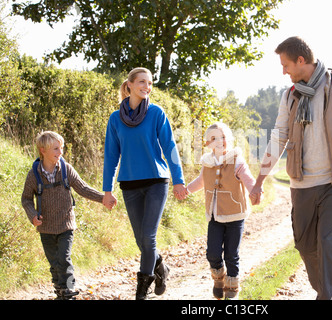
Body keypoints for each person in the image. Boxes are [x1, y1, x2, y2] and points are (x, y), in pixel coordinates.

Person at [249, 36, 332, 300]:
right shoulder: (290, 96)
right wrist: (258, 181)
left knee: (328, 243)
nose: (283, 71)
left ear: (301, 60)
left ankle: (327, 296)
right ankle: (325, 290)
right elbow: (278, 137)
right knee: (305, 246)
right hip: (302, 185)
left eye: (286, 65)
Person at [102, 67, 187, 300]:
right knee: (141, 240)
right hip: (129, 184)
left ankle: (141, 291)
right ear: (129, 85)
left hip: (156, 182)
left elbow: (170, 147)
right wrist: (106, 190)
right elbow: (111, 156)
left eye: (149, 83)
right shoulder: (115, 119)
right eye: (141, 82)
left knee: (148, 237)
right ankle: (161, 267)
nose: (146, 87)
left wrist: (178, 180)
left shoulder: (156, 113)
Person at [21, 131, 106, 300]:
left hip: (66, 224)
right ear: (42, 150)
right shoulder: (34, 174)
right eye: (55, 149)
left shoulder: (66, 169)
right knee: (54, 262)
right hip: (45, 227)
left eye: (61, 148)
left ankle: (68, 289)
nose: (60, 152)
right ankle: (60, 290)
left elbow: (83, 188)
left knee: (63, 258)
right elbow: (26, 199)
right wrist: (33, 216)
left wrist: (103, 198)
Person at [184, 122, 256, 299]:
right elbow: (201, 181)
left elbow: (247, 177)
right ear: (208, 143)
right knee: (213, 253)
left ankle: (232, 289)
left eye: (223, 137)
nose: (219, 141)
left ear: (229, 139)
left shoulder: (236, 159)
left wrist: (254, 190)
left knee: (232, 254)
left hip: (235, 215)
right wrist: (185, 190)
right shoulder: (207, 163)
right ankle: (218, 278)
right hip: (215, 216)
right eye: (214, 138)